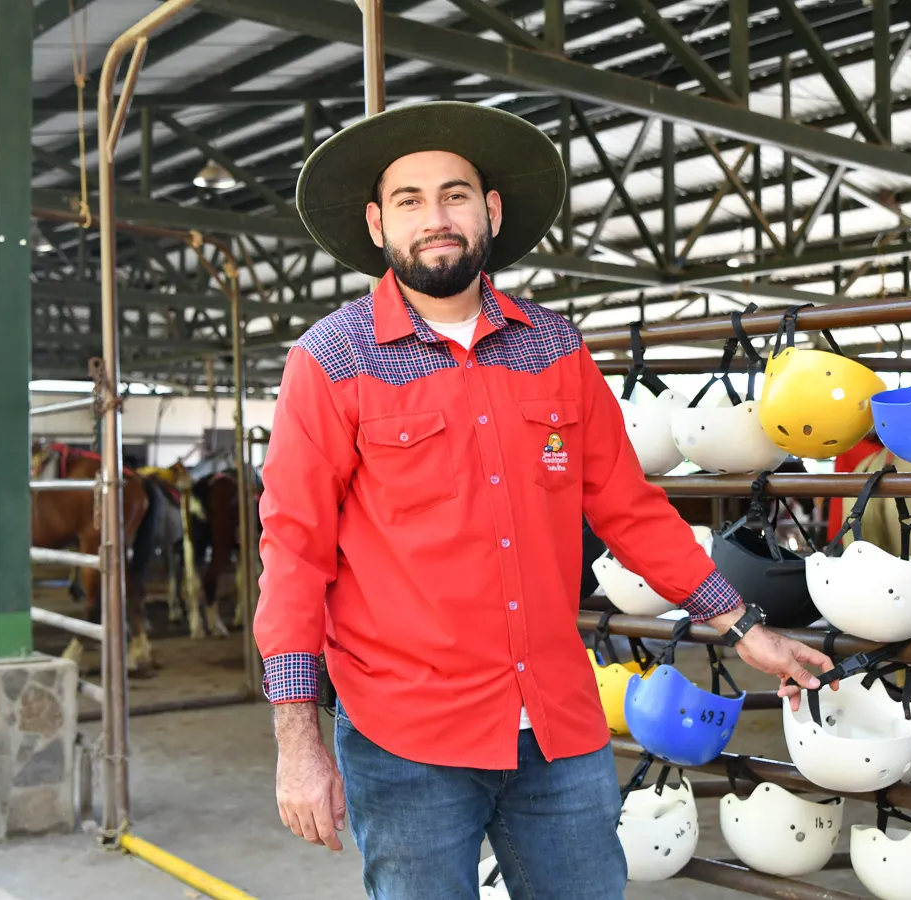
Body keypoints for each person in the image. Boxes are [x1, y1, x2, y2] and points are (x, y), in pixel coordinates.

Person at [253, 101, 835, 900]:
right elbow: (294, 554)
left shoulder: (555, 348)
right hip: (406, 735)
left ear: (490, 211)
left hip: (556, 724)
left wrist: (742, 623)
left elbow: (628, 509)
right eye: (410, 201)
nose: (436, 218)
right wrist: (297, 740)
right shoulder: (332, 361)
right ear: (377, 224)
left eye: (455, 195)